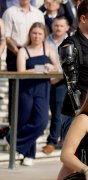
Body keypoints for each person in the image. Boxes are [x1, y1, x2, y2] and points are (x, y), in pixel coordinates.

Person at [57, 0, 88, 178]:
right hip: (77, 114)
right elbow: (71, 87)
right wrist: (82, 116)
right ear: (83, 19)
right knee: (74, 161)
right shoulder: (70, 45)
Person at [8, 22, 59, 166]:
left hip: (42, 88)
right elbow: (21, 71)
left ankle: (12, 138)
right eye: (34, 33)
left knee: (41, 122)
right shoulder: (23, 50)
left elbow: (57, 68)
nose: (37, 36)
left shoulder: (48, 48)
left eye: (40, 34)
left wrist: (51, 68)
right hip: (26, 88)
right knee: (24, 120)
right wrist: (41, 68)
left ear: (44, 36)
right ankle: (29, 155)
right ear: (30, 34)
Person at [2, 0, 44, 129]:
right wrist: (20, 52)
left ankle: (30, 126)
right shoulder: (10, 12)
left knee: (34, 91)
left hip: (35, 54)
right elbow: (6, 37)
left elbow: (42, 34)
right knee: (15, 92)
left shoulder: (38, 13)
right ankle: (12, 127)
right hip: (15, 53)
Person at [42, 16, 70, 155]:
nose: (58, 28)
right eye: (56, 25)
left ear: (67, 27)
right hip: (44, 80)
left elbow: (72, 65)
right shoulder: (45, 40)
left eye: (61, 26)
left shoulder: (71, 42)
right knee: (41, 110)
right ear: (52, 26)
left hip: (62, 81)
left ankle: (52, 141)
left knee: (57, 112)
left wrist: (58, 76)